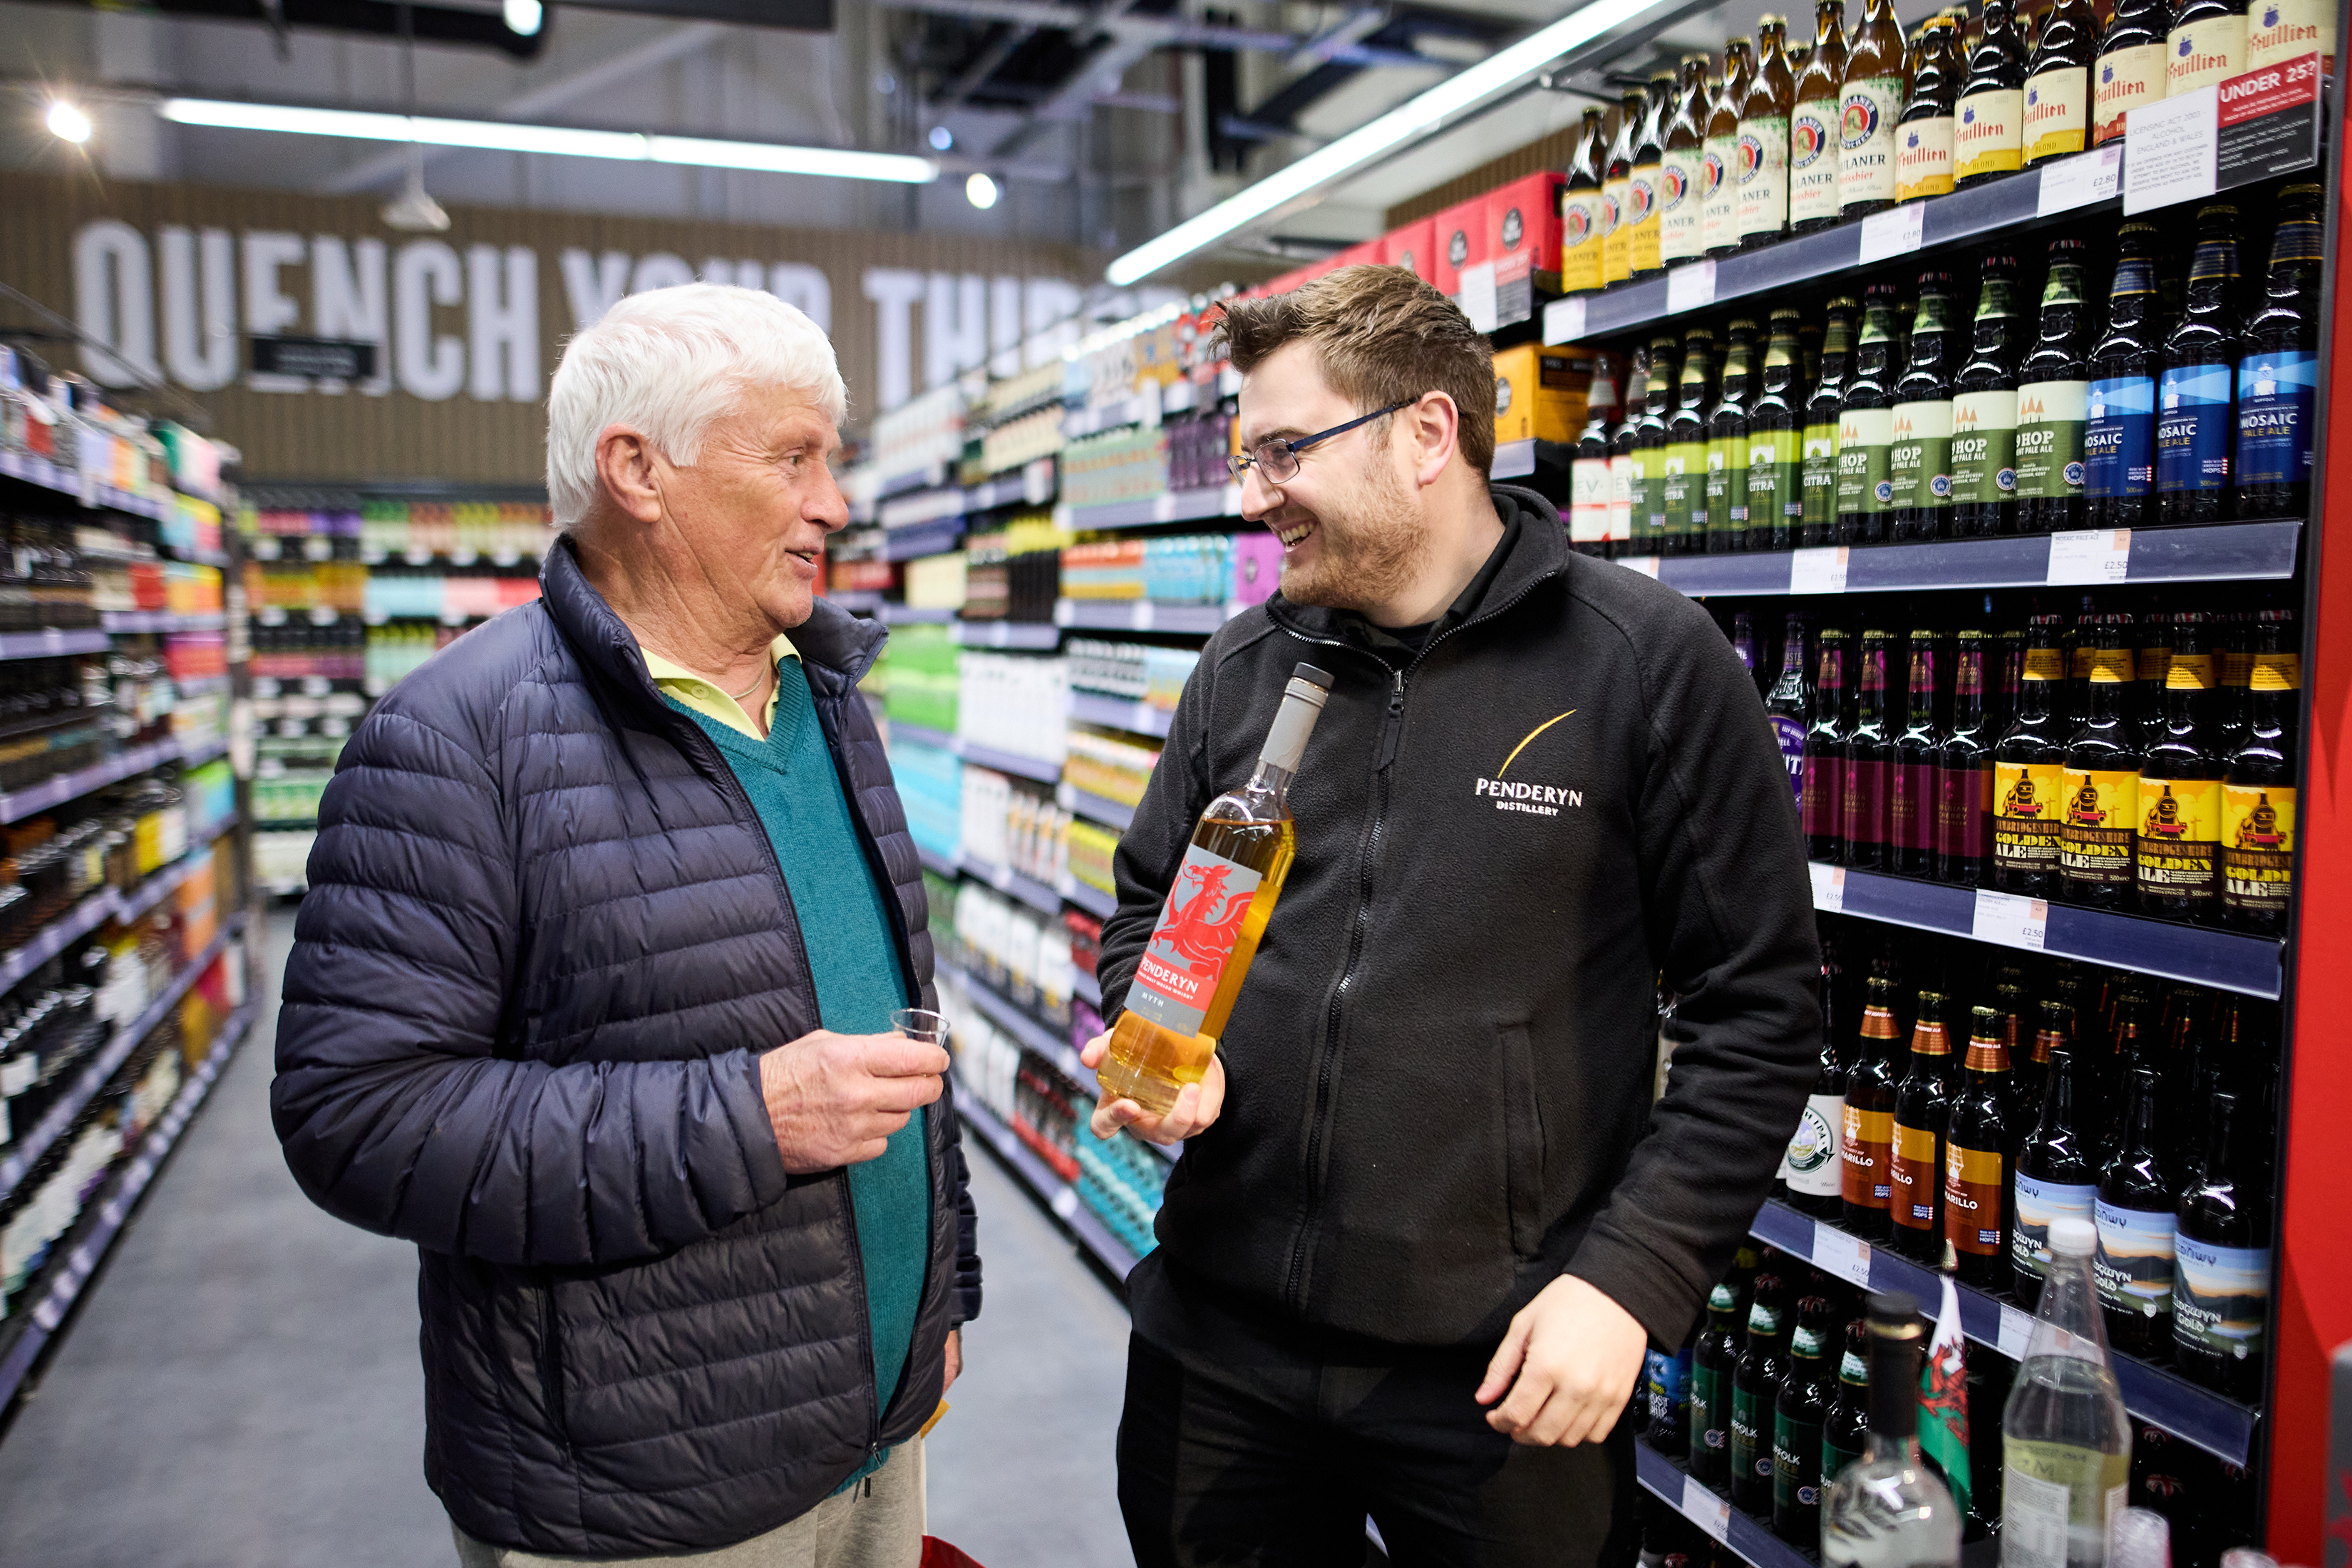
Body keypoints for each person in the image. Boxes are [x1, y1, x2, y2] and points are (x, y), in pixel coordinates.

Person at [1083, 264, 1820, 1567]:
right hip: (1221, 1333)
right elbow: (1151, 902)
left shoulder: (1642, 663)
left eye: (1284, 451)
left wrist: (1631, 1281)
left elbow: (1758, 1010)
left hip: (1503, 1366)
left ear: (1427, 434)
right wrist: (1164, 1034)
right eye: (1249, 457)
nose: (1254, 494)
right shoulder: (1245, 668)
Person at [272, 283, 979, 1568]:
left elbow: (899, 1009)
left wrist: (944, 1288)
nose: (834, 501)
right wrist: (750, 1116)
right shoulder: (452, 740)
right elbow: (357, 1118)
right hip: (641, 1488)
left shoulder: (832, 703)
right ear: (638, 470)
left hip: (880, 1425)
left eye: (838, 458)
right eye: (793, 457)